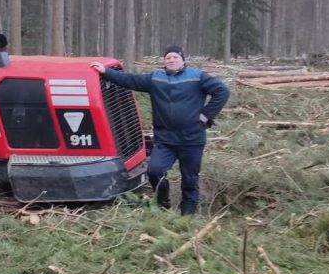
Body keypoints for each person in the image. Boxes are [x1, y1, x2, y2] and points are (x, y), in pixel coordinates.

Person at [90, 46, 229, 215]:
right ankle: (164, 204)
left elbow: (222, 91)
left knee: (190, 179)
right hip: (165, 139)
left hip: (191, 138)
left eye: (175, 57)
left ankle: (187, 216)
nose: (171, 60)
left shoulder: (197, 76)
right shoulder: (156, 78)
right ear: (164, 62)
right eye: (168, 58)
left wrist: (206, 115)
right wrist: (105, 71)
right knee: (154, 171)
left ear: (183, 60)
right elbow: (130, 80)